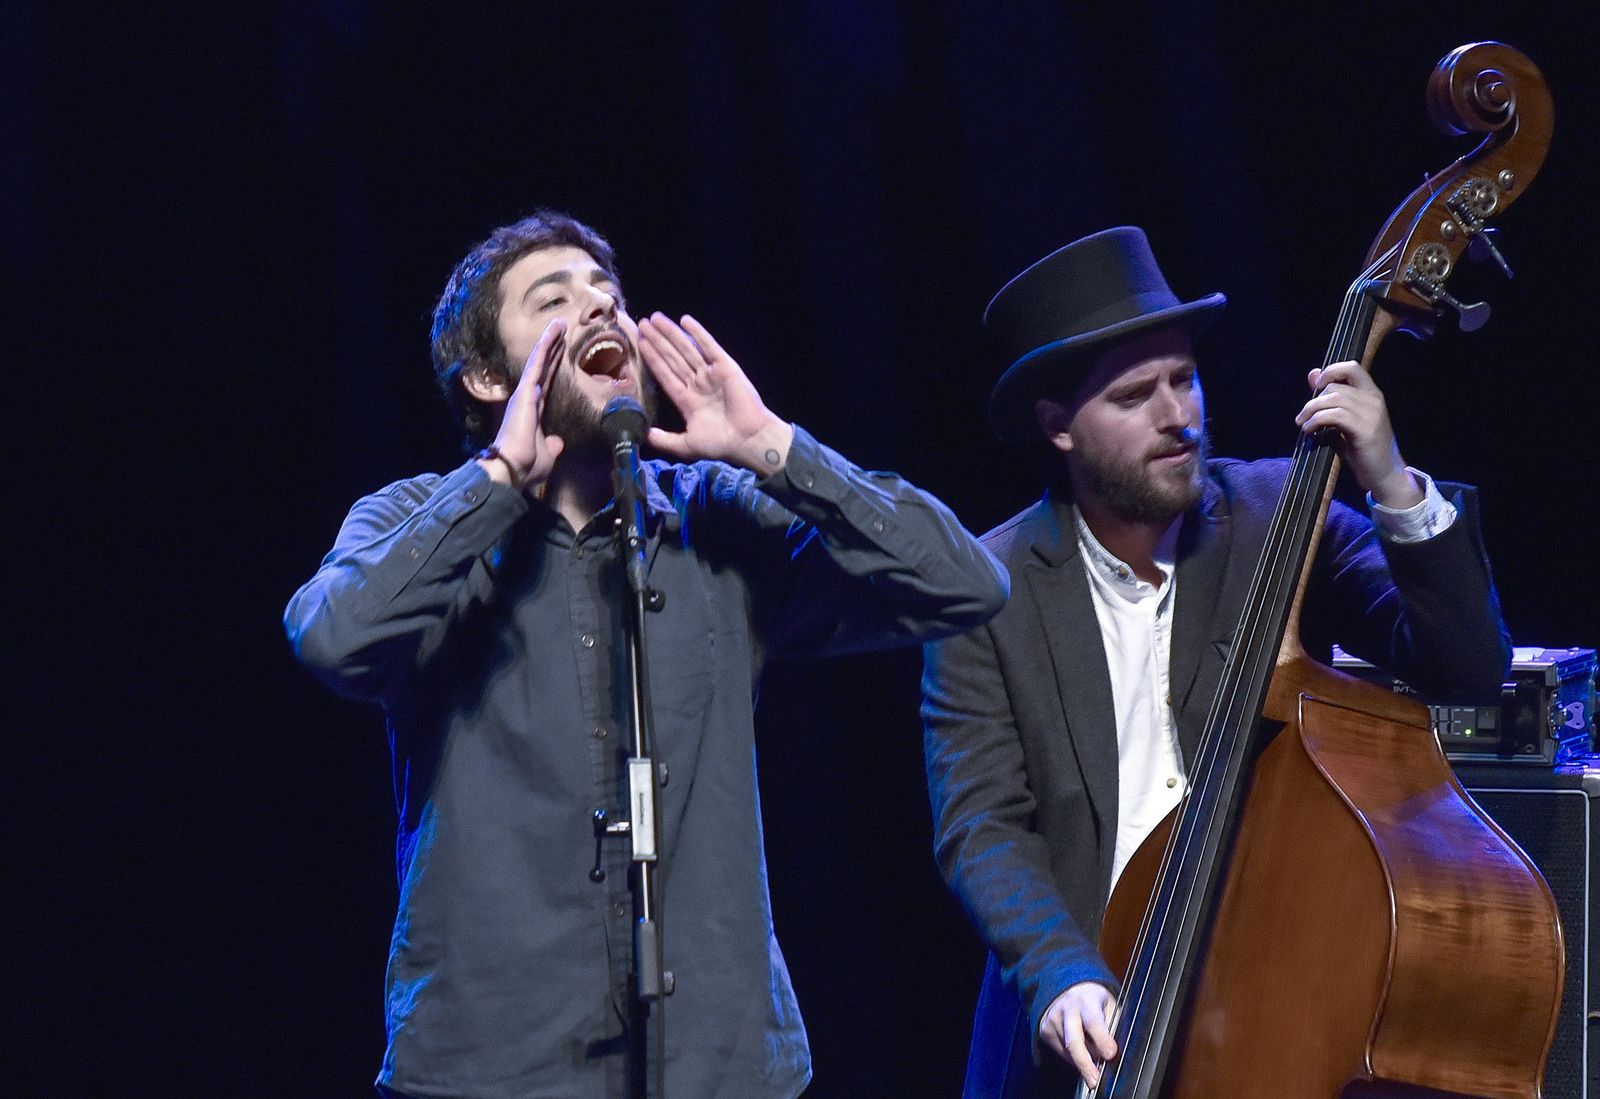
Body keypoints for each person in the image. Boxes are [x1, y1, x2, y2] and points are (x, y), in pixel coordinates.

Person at [285, 210, 1008, 1099]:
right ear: (483, 376)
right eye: (553, 300)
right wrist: (499, 484)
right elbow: (331, 636)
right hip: (493, 1069)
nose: (600, 314)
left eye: (610, 297)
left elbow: (967, 584)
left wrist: (773, 449)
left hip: (715, 1065)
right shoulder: (412, 519)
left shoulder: (718, 514)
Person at [920, 226, 1511, 1097]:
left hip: (1272, 998)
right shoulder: (985, 586)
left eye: (1183, 379)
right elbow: (982, 825)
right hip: (1086, 1018)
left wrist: (1388, 476)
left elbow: (1468, 666)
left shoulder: (1281, 513)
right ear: (1060, 429)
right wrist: (1059, 971)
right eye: (1134, 396)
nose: (1178, 415)